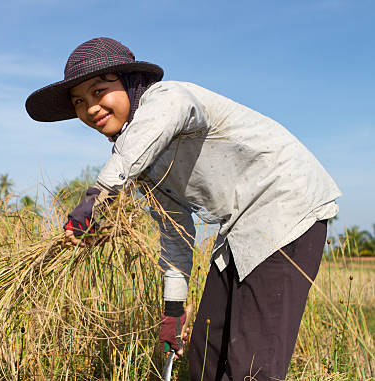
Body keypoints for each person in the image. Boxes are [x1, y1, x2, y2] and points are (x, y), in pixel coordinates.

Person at [25, 37, 340, 381]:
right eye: (79, 102)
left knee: (252, 363)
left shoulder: (167, 99)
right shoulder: (142, 165)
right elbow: (176, 236)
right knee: (207, 353)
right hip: (238, 228)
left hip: (286, 208)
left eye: (99, 91)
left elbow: (135, 149)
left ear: (130, 83)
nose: (91, 108)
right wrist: (172, 315)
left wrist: (92, 204)